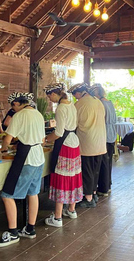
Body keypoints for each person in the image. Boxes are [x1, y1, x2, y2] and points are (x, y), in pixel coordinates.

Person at [0, 92, 45, 247]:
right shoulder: (38, 114)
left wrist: (4, 149)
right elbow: (42, 140)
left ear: (17, 103)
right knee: (33, 193)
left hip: (26, 159)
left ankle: (13, 232)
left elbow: (7, 139)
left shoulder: (20, 115)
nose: (13, 109)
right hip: (38, 157)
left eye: (13, 106)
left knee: (7, 195)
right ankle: (30, 229)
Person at [43, 83, 83, 227]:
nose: (50, 99)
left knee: (62, 177)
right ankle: (71, 210)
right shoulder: (72, 105)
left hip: (64, 144)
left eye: (49, 96)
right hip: (74, 141)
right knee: (73, 175)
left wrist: (46, 139)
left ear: (54, 94)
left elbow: (58, 133)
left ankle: (58, 217)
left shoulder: (60, 108)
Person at [68, 83, 106, 208]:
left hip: (87, 141)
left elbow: (73, 124)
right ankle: (94, 193)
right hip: (100, 141)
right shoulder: (98, 102)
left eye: (75, 95)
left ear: (79, 93)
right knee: (95, 170)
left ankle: (88, 198)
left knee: (87, 170)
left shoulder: (80, 104)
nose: (75, 98)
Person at [90, 83, 117, 197]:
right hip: (112, 134)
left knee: (103, 162)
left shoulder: (101, 104)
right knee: (108, 161)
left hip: (104, 134)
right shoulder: (110, 103)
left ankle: (103, 187)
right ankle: (108, 184)